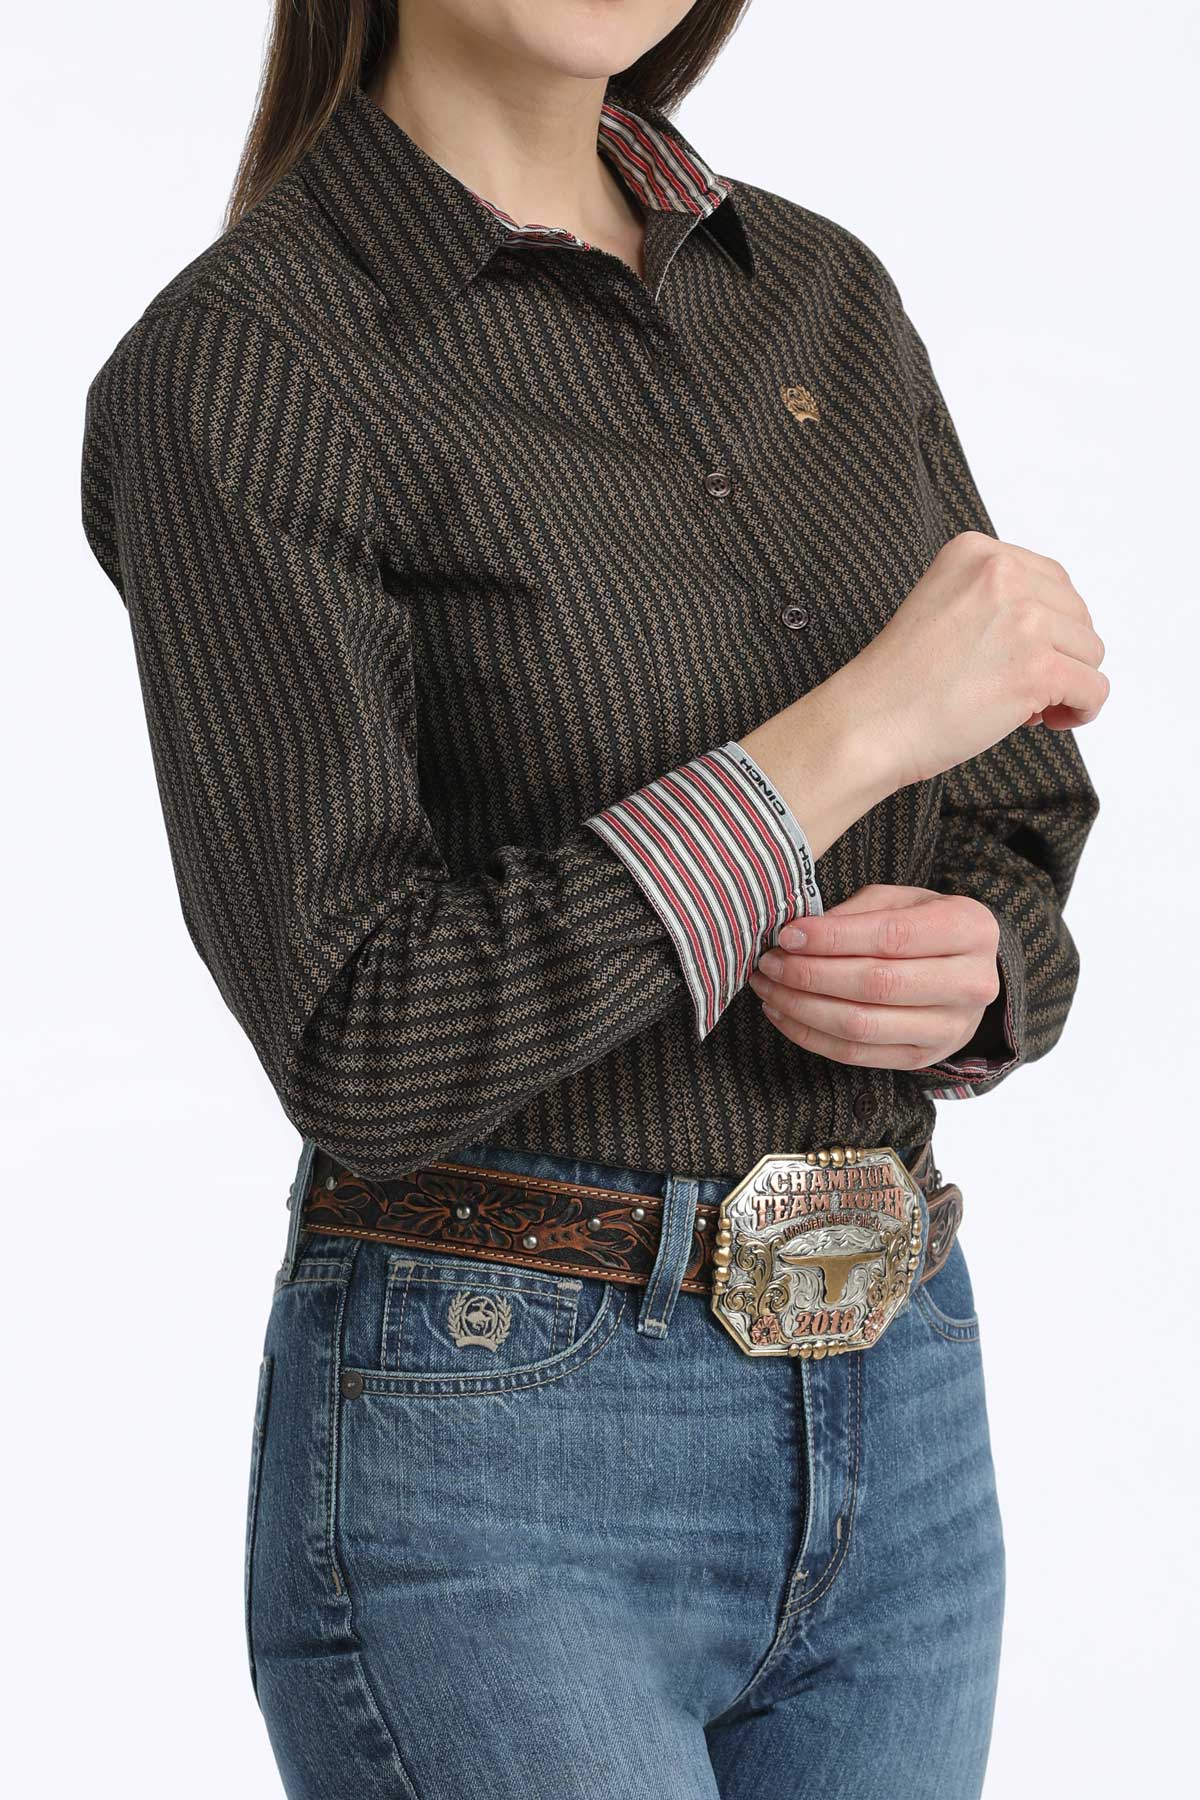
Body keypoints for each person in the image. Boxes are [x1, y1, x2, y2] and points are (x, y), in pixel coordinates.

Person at [79, 3, 1105, 1795]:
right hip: (499, 1436)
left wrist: (982, 969)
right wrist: (837, 745)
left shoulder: (820, 295)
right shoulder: (244, 363)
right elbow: (363, 1041)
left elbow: (1016, 806)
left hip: (902, 1387)